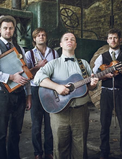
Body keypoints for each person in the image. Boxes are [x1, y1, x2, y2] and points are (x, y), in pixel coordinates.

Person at [34, 32, 99, 159]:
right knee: (60, 148)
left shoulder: (84, 64)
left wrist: (92, 84)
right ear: (61, 44)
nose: (69, 41)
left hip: (80, 112)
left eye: (72, 39)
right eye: (66, 39)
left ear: (75, 45)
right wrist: (57, 87)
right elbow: (38, 78)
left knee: (80, 148)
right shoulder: (53, 63)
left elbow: (89, 87)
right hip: (59, 113)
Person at [93, 28, 122, 159]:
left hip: (121, 93)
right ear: (107, 40)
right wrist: (105, 76)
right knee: (104, 124)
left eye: (115, 38)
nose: (113, 40)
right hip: (106, 93)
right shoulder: (102, 57)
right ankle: (104, 151)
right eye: (110, 38)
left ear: (120, 40)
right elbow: (95, 76)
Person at [0, 15, 32, 159]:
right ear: (0, 29)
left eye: (11, 28)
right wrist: (11, 77)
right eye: (5, 28)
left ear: (14, 30)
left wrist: (29, 95)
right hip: (2, 96)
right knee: (1, 132)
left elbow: (26, 72)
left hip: (19, 95)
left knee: (16, 131)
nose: (8, 31)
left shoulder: (19, 48)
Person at [25, 28, 59, 159]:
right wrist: (38, 66)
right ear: (34, 39)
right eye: (38, 35)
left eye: (43, 35)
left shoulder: (54, 53)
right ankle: (38, 153)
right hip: (35, 89)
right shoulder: (29, 54)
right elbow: (27, 76)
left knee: (50, 122)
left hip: (50, 90)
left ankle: (49, 151)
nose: (41, 37)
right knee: (36, 123)